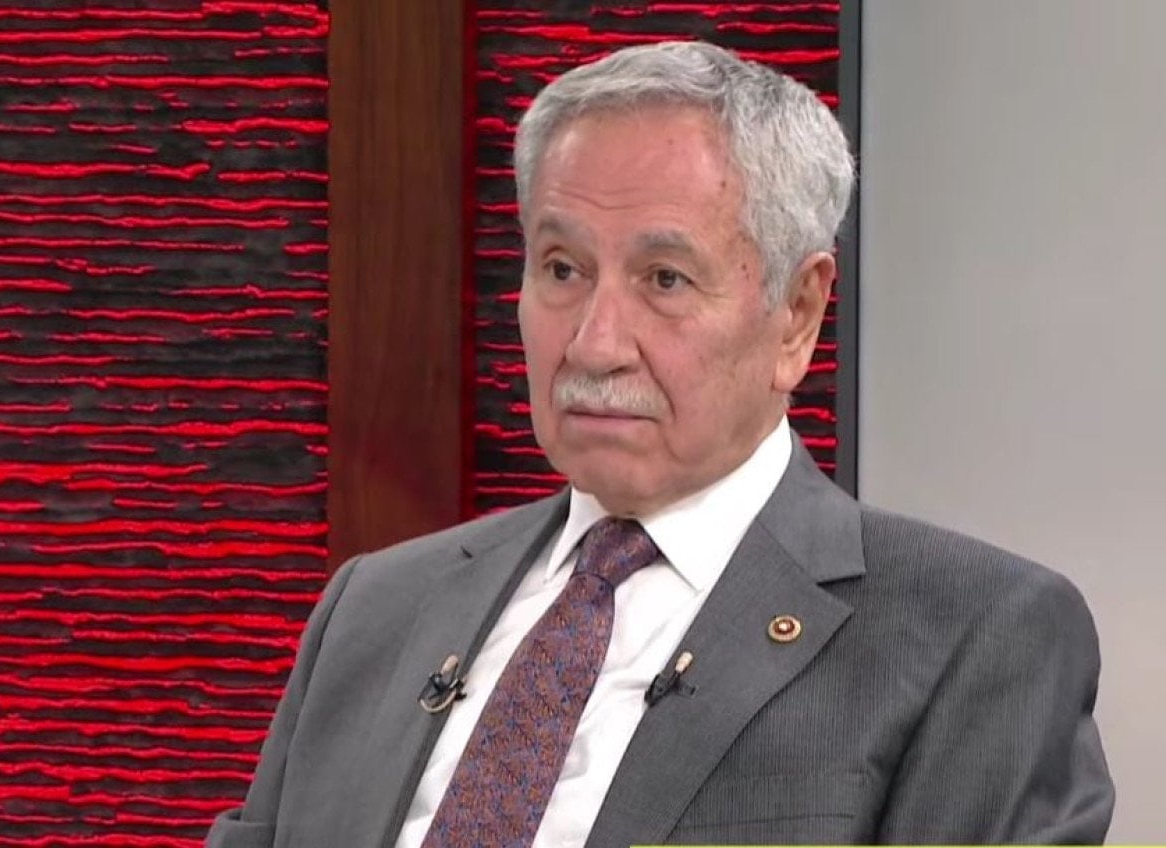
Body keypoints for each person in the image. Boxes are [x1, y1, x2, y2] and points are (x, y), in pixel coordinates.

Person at [206, 41, 1114, 847]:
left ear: (797, 315)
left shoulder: (977, 637)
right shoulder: (373, 609)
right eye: (563, 269)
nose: (595, 344)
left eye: (665, 279)